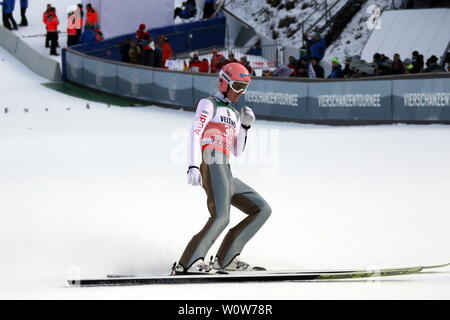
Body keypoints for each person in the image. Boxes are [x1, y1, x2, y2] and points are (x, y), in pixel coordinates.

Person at [173, 62, 271, 274]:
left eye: (244, 88)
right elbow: (195, 133)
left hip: (226, 166)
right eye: (237, 87)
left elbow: (237, 150)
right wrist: (192, 165)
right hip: (211, 160)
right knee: (221, 216)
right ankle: (189, 262)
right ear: (223, 83)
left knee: (262, 209)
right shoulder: (209, 104)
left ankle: (226, 258)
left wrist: (244, 126)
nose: (240, 93)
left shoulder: (234, 114)